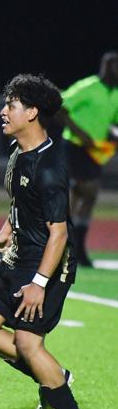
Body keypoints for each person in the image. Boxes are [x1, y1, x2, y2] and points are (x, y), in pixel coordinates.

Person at [0, 74, 90, 409]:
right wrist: (7, 230)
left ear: (33, 113)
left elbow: (60, 233)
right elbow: (20, 201)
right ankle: (54, 376)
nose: (3, 112)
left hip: (46, 263)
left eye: (12, 106)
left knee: (28, 342)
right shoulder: (19, 150)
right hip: (19, 256)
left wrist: (38, 284)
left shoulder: (51, 166)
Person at [56, 51, 118, 267]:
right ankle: (64, 246)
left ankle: (77, 248)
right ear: (104, 67)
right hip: (74, 146)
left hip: (94, 152)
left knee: (88, 197)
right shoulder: (88, 87)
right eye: (110, 65)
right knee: (80, 192)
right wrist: (81, 133)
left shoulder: (116, 94)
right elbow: (60, 108)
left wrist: (113, 135)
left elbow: (113, 123)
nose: (113, 70)